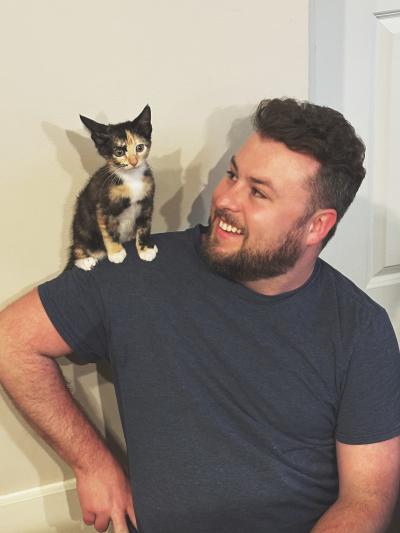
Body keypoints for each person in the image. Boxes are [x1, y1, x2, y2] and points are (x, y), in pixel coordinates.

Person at [1, 98, 400, 533]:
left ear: (315, 226)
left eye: (258, 192)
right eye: (232, 174)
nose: (225, 199)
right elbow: (12, 340)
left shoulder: (360, 328)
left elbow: (368, 497)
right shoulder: (137, 274)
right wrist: (92, 463)